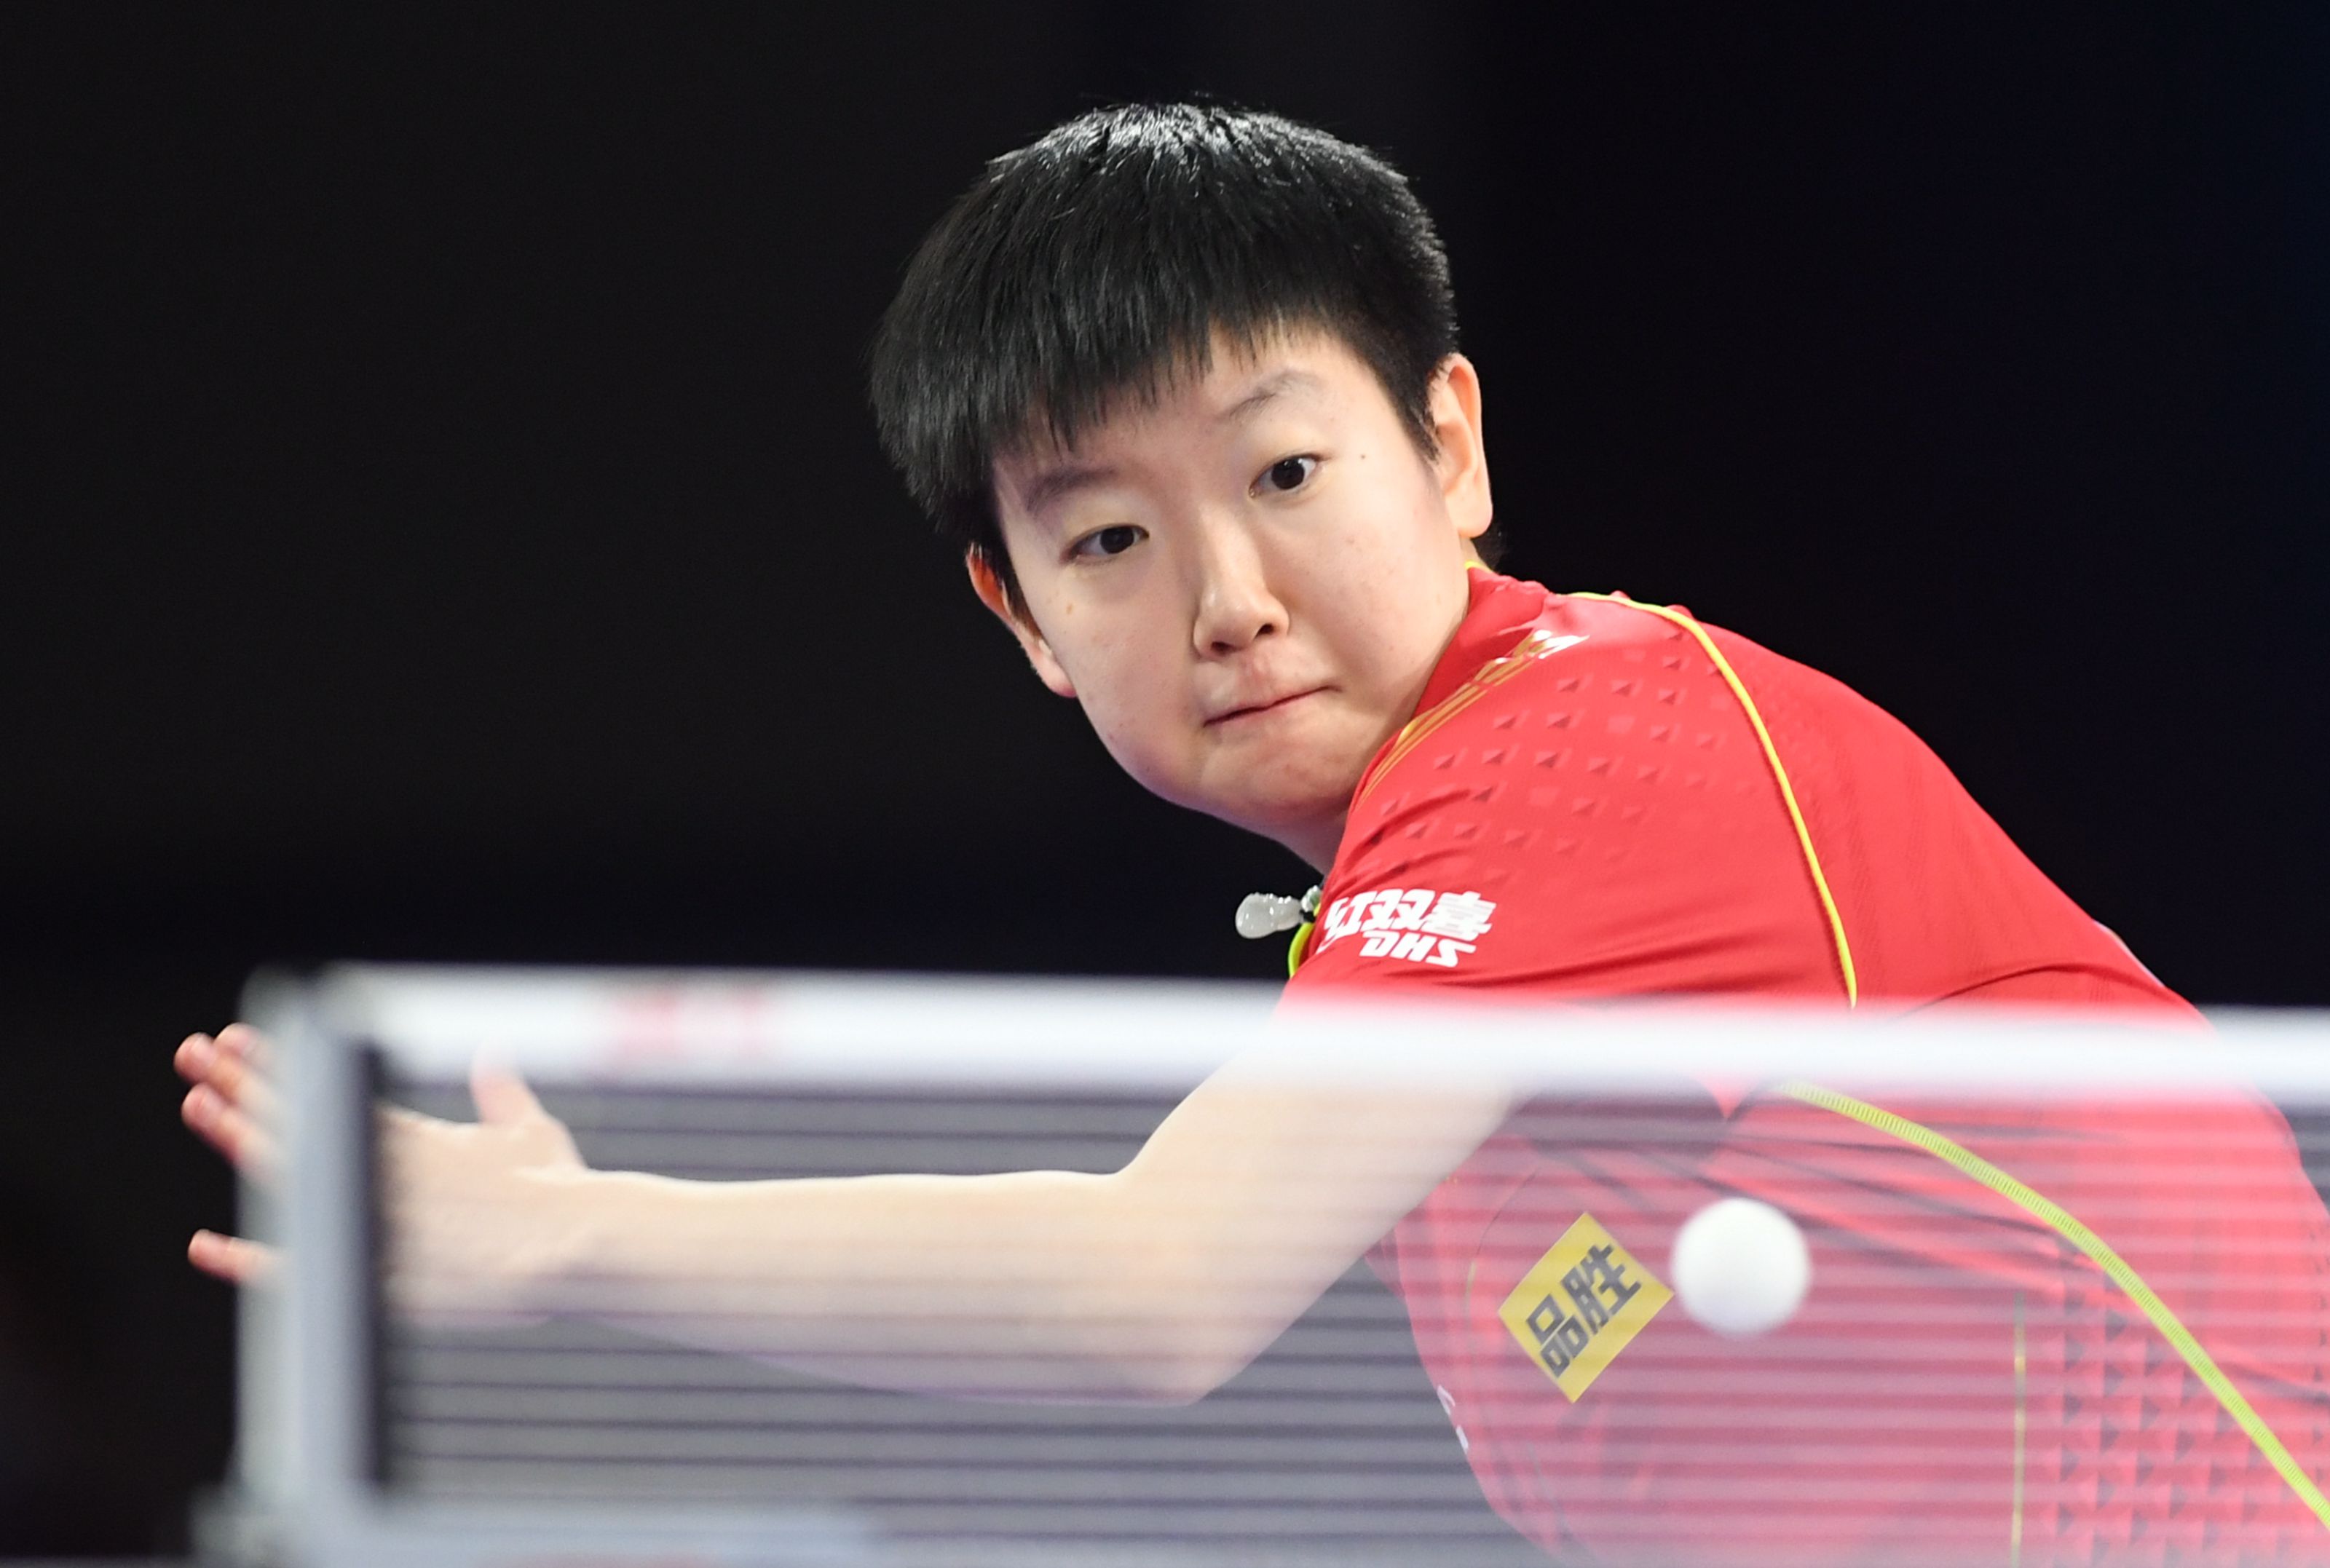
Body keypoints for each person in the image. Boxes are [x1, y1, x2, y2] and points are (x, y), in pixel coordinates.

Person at [175, 105, 2330, 1562]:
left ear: (1451, 442)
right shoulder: (1406, 983)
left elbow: (1157, 1285)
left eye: (1285, 474)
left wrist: (566, 1234)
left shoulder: (1596, 743)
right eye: (1109, 534)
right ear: (1021, 622)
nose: (1225, 595)